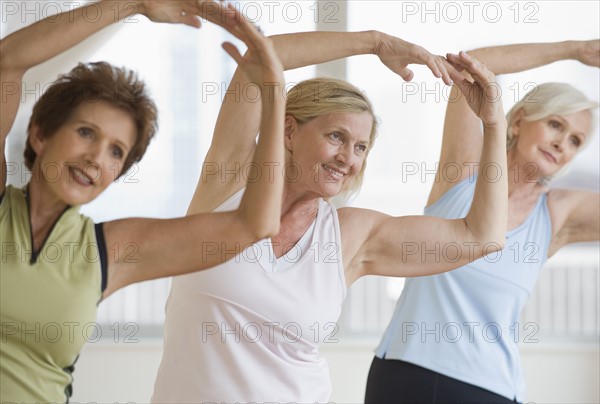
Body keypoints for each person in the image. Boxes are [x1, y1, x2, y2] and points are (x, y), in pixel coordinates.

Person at [151, 30, 509, 402]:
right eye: (336, 136)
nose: (348, 158)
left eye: (360, 147)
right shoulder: (231, 183)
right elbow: (259, 58)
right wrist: (374, 44)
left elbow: (482, 237)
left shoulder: (350, 236)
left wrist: (494, 124)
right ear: (289, 130)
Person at [0, 1, 286, 402]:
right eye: (86, 132)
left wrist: (273, 94)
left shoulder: (110, 251)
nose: (96, 159)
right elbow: (7, 63)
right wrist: (134, 4)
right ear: (39, 134)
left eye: (116, 151)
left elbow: (254, 225)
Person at [364, 40, 600, 403]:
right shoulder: (463, 172)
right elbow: (477, 65)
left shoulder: (557, 213)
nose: (562, 145)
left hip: (487, 389)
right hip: (403, 370)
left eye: (575, 141)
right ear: (518, 121)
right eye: (555, 124)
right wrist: (575, 50)